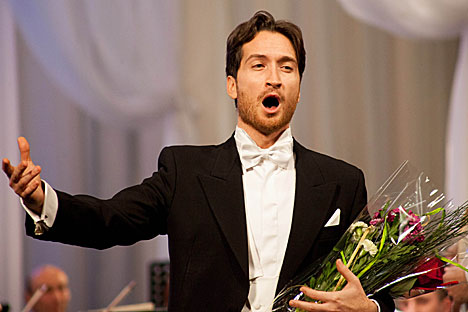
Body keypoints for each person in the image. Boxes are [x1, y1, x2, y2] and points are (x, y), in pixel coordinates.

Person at [2, 10, 394, 312]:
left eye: (286, 67)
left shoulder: (342, 180)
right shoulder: (184, 172)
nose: (274, 78)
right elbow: (110, 219)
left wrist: (372, 307)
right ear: (232, 84)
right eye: (258, 65)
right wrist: (42, 202)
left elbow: (378, 284)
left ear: (298, 85)